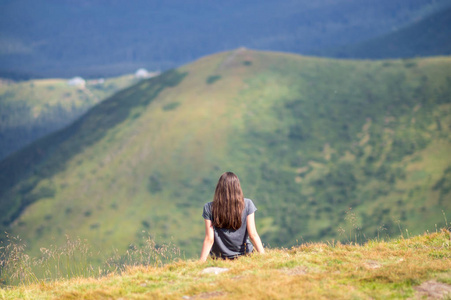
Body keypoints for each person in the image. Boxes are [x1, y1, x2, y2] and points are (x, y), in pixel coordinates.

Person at [200, 172, 265, 261]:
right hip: (244, 256)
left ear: (219, 188)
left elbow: (209, 239)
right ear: (237, 187)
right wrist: (264, 257)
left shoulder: (208, 207)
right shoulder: (248, 204)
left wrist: (201, 261)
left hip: (219, 258)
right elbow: (253, 235)